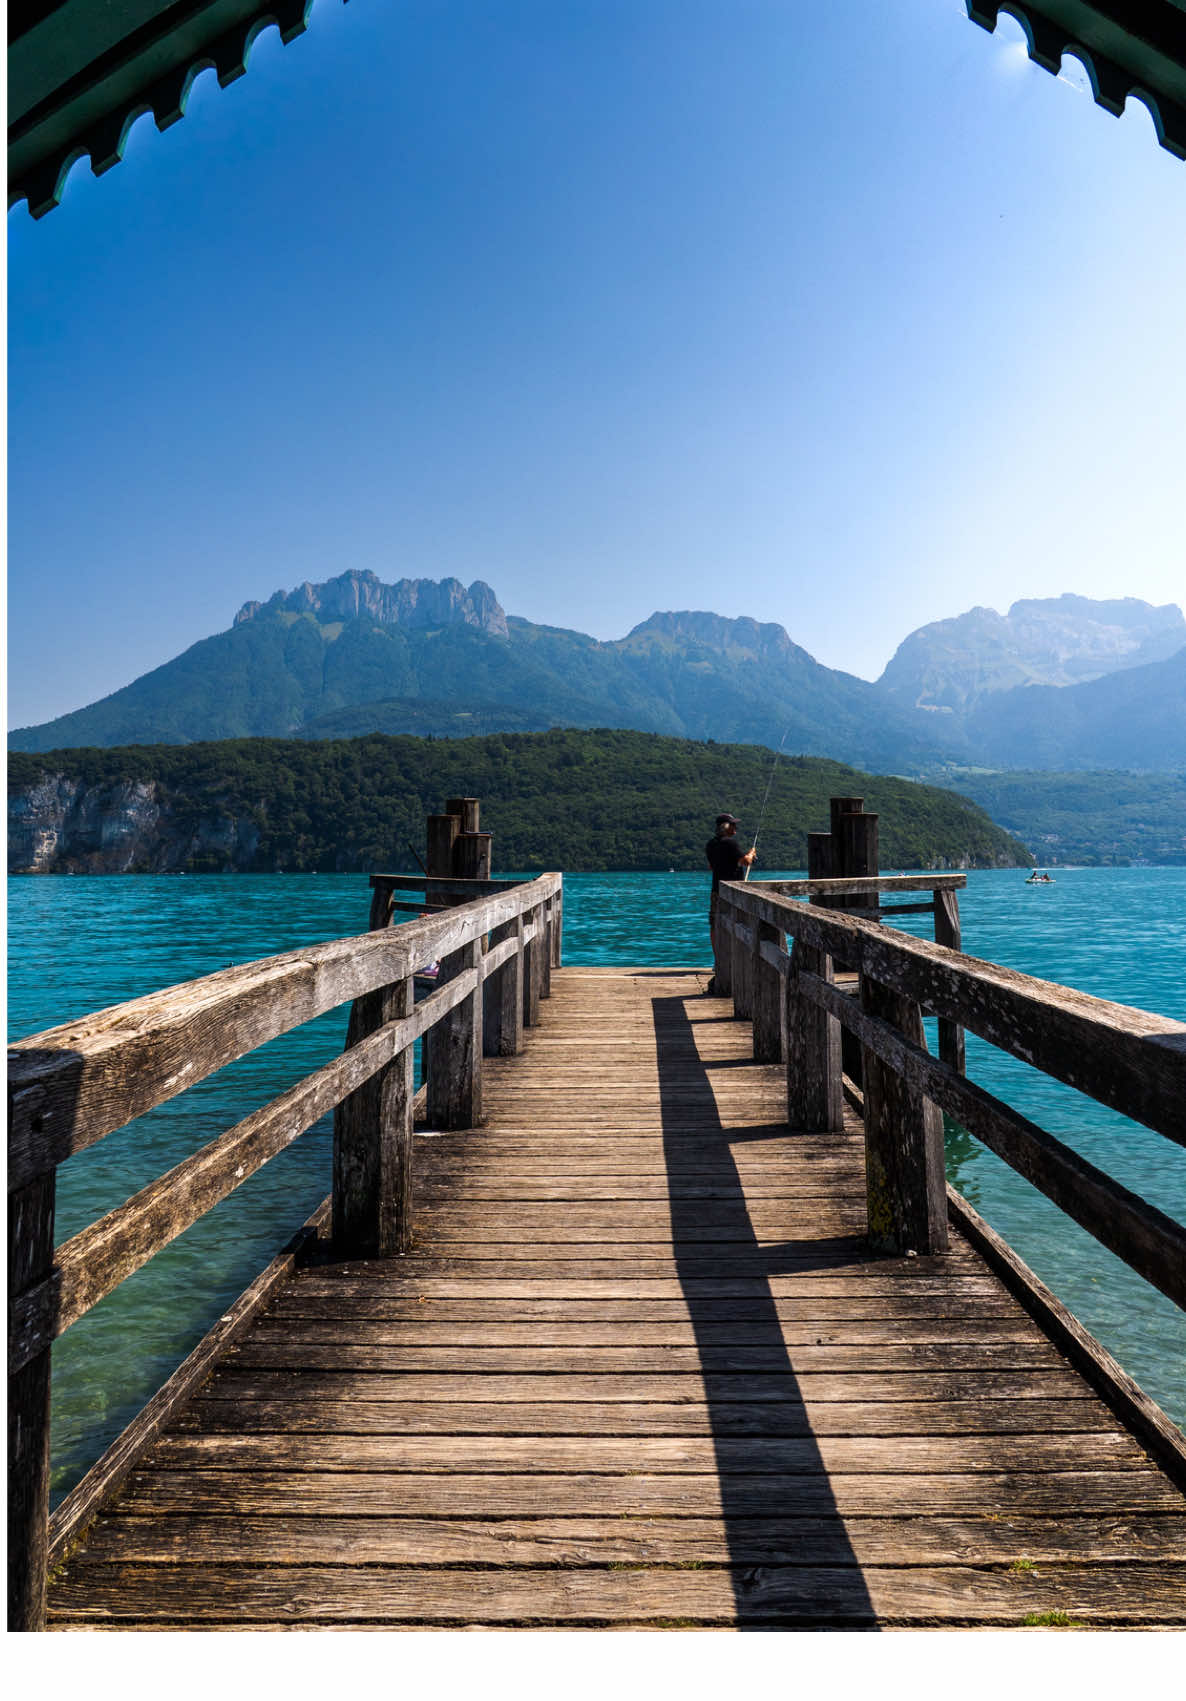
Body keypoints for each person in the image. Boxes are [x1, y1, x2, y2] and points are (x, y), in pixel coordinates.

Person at [706, 812, 756, 991]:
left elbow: (711, 866)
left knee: (715, 925)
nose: (736, 828)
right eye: (733, 825)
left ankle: (719, 960)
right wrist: (751, 853)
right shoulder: (731, 843)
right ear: (726, 828)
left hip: (716, 890)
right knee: (736, 924)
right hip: (733, 894)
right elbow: (744, 861)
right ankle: (732, 961)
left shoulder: (711, 844)